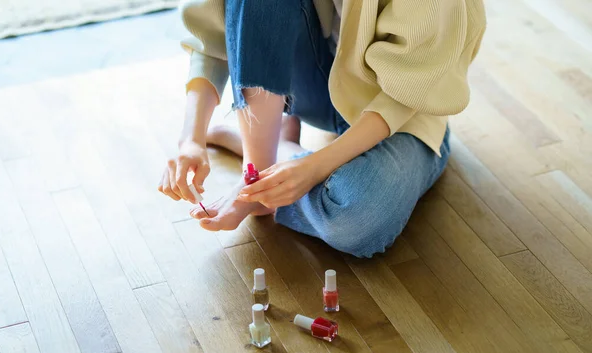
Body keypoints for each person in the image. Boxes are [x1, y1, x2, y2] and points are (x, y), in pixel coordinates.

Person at [158, 0, 486, 257]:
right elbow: (216, 33)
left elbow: (413, 86)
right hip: (317, 86)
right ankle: (258, 174)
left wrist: (313, 167)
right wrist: (191, 139)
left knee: (354, 218)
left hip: (405, 107)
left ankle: (279, 155)